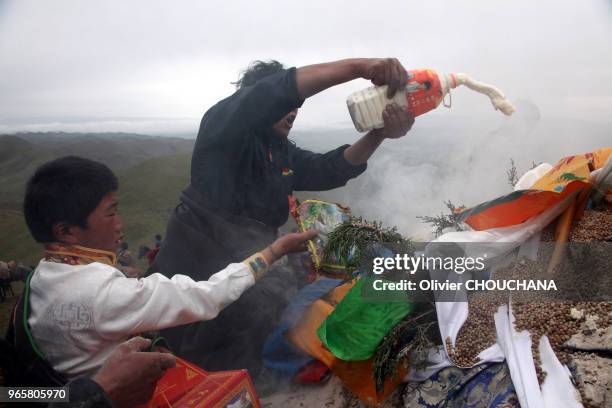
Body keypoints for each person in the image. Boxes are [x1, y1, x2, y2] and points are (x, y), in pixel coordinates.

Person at [153, 58, 415, 377]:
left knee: (255, 351)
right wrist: (361, 67)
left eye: (296, 108)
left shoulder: (279, 150)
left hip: (253, 270)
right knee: (203, 362)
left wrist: (379, 134)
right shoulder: (222, 130)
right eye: (287, 104)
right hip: (197, 274)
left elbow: (329, 168)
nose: (293, 111)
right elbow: (277, 92)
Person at [8, 156, 315, 382]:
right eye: (110, 213)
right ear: (66, 231)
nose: (119, 224)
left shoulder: (41, 277)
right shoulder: (101, 292)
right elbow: (207, 296)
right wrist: (275, 251)